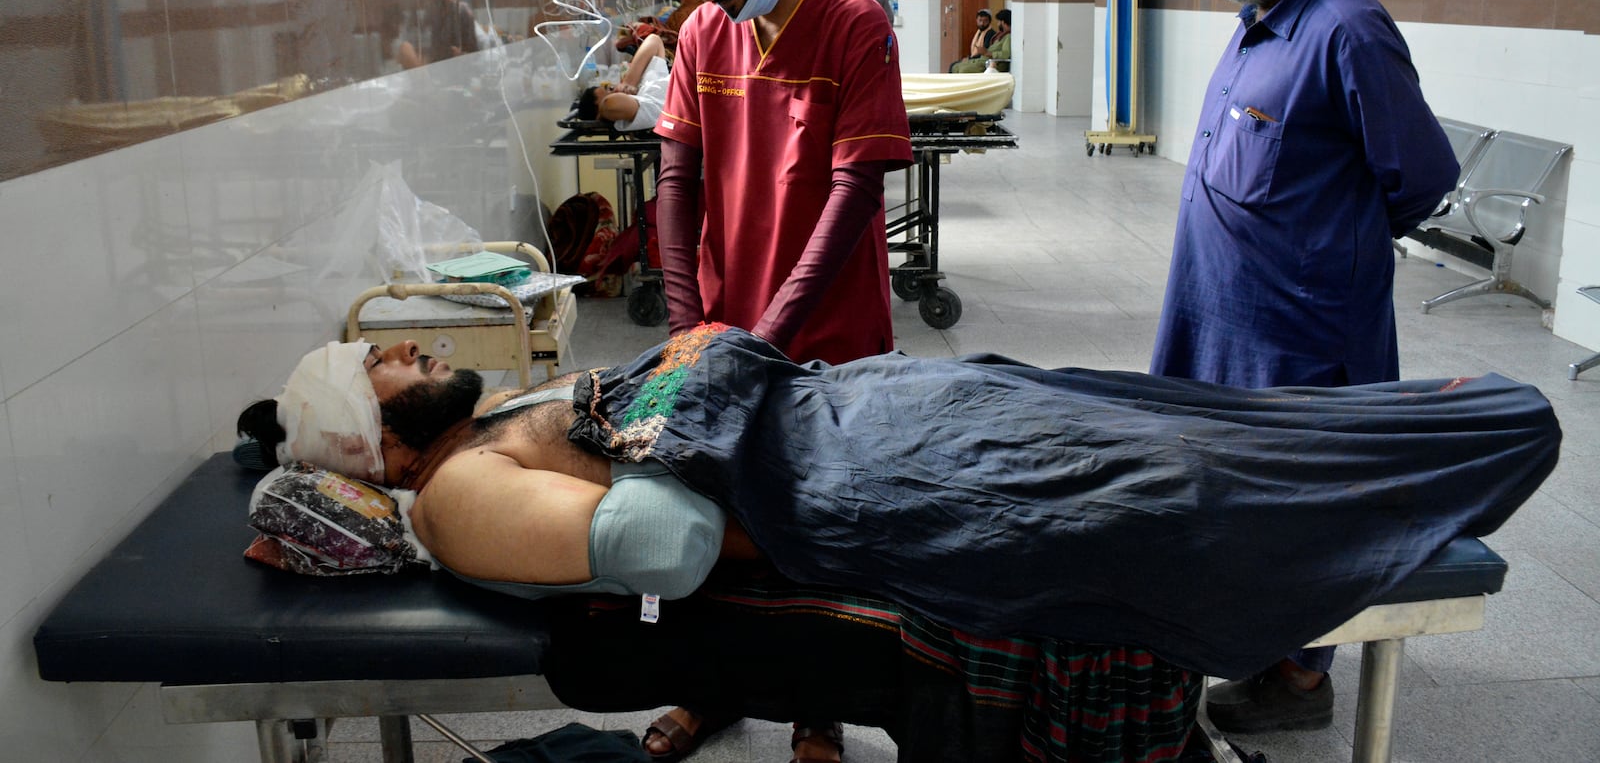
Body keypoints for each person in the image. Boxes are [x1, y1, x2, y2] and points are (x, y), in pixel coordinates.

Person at [237, 326, 1559, 689]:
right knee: (1166, 487)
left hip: (860, 414)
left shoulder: (487, 426)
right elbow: (669, 546)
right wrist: (678, 406)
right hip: (865, 485)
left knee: (1135, 408)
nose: (410, 353)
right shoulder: (459, 495)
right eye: (387, 369)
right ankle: (1447, 461)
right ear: (379, 447)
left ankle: (1429, 429)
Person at [1149, 0, 1461, 734]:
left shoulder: (1347, 28)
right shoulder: (1259, 15)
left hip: (1299, 336)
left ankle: (1300, 679)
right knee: (1229, 495)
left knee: (1297, 507)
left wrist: (1331, 250)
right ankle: (1249, 638)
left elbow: (1423, 175)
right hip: (1216, 318)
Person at [646, 0, 912, 763]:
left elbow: (854, 197)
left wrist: (772, 337)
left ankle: (816, 706)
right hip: (725, 327)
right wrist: (691, 330)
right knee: (711, 516)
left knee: (813, 521)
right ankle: (711, 688)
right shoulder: (700, 35)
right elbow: (676, 184)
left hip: (828, 334)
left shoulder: (853, 25)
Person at [575, 33, 671, 131]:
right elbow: (610, 105)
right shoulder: (643, 113)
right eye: (610, 92)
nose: (615, 90)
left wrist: (629, 82)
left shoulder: (644, 88)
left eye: (611, 89)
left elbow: (654, 41)